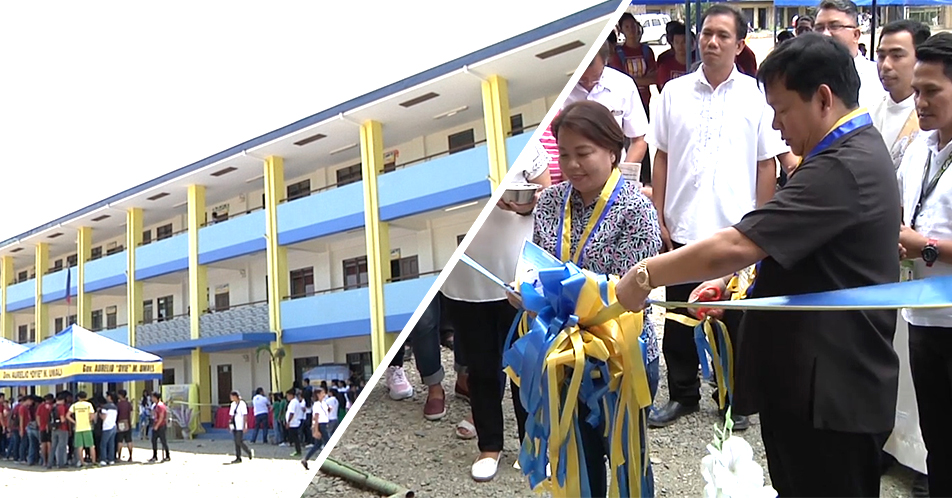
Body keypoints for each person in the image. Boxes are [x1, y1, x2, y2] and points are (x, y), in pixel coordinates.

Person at [617, 33, 901, 497]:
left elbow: (739, 242)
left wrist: (646, 275)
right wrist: (733, 283)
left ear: (823, 99)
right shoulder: (844, 154)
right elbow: (787, 243)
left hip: (830, 394)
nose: (776, 124)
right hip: (818, 384)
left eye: (783, 109)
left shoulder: (841, 167)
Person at [647, 4, 789, 430]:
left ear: (740, 44)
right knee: (676, 316)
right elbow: (662, 155)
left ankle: (733, 399)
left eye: (723, 35)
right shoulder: (674, 92)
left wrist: (759, 230)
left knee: (733, 320)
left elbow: (768, 164)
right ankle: (683, 394)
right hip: (684, 226)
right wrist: (659, 215)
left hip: (735, 233)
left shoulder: (757, 96)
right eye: (706, 33)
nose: (711, 41)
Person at [519, 100, 663, 497]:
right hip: (563, 353)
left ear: (612, 151)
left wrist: (568, 297)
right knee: (575, 456)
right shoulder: (550, 202)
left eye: (583, 153)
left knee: (624, 458)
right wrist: (527, 293)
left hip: (620, 357)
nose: (572, 165)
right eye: (564, 154)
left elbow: (632, 291)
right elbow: (540, 263)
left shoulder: (636, 208)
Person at [441, 133, 550, 482]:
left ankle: (531, 445)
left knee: (525, 366)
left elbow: (545, 195)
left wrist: (524, 205)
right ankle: (489, 446)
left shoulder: (526, 143)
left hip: (517, 271)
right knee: (482, 367)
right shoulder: (450, 154)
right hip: (467, 276)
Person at [895, 31, 952, 498]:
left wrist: (926, 246)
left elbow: (921, 237)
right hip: (922, 315)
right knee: (939, 439)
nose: (920, 102)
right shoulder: (918, 151)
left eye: (931, 91)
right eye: (917, 91)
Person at [566, 40, 650, 167]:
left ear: (606, 62)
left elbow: (639, 138)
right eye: (582, 79)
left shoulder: (623, 85)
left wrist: (622, 175)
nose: (589, 83)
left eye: (595, 77)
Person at [871, 20, 931, 167]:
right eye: (881, 56)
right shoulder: (869, 112)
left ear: (920, 59)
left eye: (896, 56)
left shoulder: (931, 115)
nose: (885, 65)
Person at [815, 0, 887, 109]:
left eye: (834, 26)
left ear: (856, 34)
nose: (825, 34)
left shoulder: (879, 79)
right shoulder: (802, 77)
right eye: (819, 28)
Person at [66, 391, 96, 467]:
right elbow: (92, 416)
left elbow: (67, 415)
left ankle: (82, 462)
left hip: (78, 428)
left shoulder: (75, 405)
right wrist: (88, 420)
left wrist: (75, 422)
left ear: (78, 397)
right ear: (86, 397)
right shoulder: (89, 405)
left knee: (80, 446)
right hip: (87, 427)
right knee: (91, 446)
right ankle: (93, 461)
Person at [228, 390, 254, 463]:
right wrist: (230, 424)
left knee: (239, 440)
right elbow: (231, 415)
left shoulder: (242, 404)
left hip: (240, 424)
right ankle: (238, 457)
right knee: (236, 442)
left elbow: (245, 415)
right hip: (234, 425)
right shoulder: (233, 404)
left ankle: (248, 451)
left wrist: (245, 425)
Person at [148, 391, 170, 463]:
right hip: (156, 424)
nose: (152, 398)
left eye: (153, 397)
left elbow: (161, 416)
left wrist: (157, 425)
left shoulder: (160, 406)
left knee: (163, 441)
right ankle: (155, 455)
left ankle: (167, 455)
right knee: (153, 440)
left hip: (161, 425)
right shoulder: (156, 405)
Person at [50, 393, 69, 469]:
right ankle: (61, 463)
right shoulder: (61, 407)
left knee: (53, 446)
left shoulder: (53, 406)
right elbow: (62, 418)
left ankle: (50, 463)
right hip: (62, 428)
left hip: (54, 428)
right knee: (62, 446)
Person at [99, 392, 118, 466]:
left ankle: (103, 459)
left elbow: (103, 417)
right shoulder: (115, 407)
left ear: (110, 397)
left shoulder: (105, 407)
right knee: (111, 444)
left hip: (106, 427)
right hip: (113, 426)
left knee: (103, 444)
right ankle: (111, 459)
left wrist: (99, 413)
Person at [115, 389, 134, 461]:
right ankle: (130, 456)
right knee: (129, 440)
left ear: (120, 395)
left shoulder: (118, 404)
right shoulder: (128, 404)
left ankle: (119, 456)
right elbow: (131, 413)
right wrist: (130, 422)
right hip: (127, 422)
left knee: (120, 440)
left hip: (120, 422)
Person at [35, 393, 53, 468]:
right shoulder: (52, 407)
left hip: (42, 427)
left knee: (43, 444)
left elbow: (37, 416)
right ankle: (49, 460)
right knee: (49, 444)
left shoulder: (40, 406)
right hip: (50, 427)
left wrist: (39, 425)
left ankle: (44, 461)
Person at [285, 389, 303, 457]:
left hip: (293, 423)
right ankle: (298, 450)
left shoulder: (293, 402)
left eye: (288, 396)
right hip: (295, 422)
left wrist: (288, 422)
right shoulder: (295, 402)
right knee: (295, 438)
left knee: (295, 438)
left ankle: (298, 450)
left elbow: (291, 413)